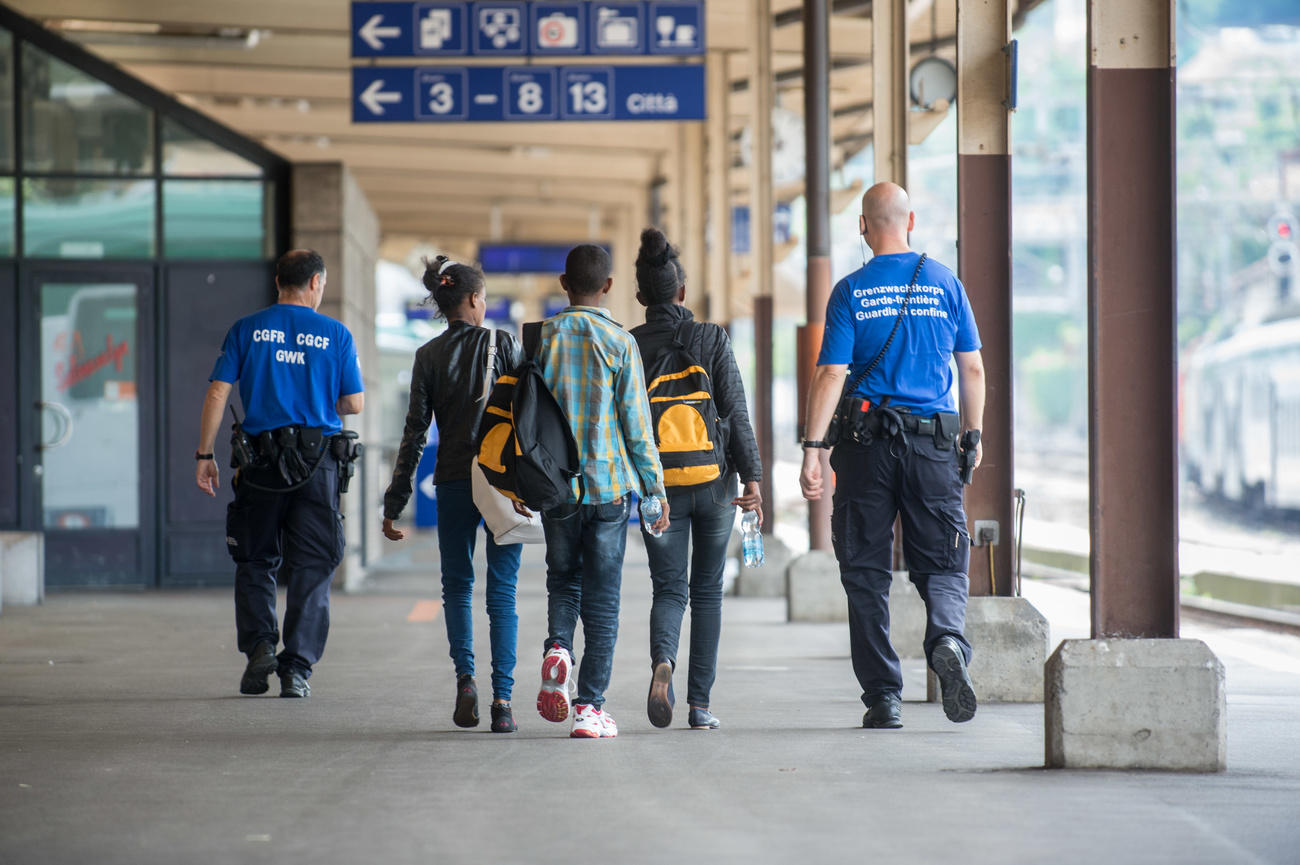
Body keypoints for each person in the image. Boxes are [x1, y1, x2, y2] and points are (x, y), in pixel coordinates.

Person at [799, 182, 985, 729]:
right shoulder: (946, 282)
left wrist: (813, 451)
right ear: (910, 222)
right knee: (944, 561)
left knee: (865, 570)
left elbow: (832, 373)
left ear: (862, 227)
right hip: (932, 444)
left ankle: (884, 696)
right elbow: (972, 369)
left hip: (864, 448)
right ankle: (947, 638)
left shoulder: (850, 290)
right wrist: (972, 437)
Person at [196, 249, 364, 699]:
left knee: (255, 558)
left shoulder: (246, 329)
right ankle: (297, 670)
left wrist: (204, 455)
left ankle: (260, 647)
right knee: (312, 565)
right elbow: (354, 404)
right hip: (317, 464)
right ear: (315, 283)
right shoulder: (336, 334)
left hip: (259, 464)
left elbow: (218, 393)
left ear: (277, 281)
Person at [380, 256, 526, 734]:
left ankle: (466, 681)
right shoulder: (503, 343)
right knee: (502, 591)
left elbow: (414, 435)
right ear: (472, 300)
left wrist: (394, 501)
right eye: (482, 297)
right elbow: (529, 417)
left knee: (457, 587)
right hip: (501, 482)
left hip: (452, 481)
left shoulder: (427, 355)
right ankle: (503, 700)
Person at [530, 243, 670, 739]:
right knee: (604, 600)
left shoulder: (540, 339)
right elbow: (637, 425)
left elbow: (526, 419)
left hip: (555, 487)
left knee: (562, 580)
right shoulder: (619, 342)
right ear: (608, 286)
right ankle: (590, 708)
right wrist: (654, 489)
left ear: (564, 285)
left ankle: (558, 650)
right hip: (609, 490)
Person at [628, 227, 762, 731]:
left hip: (655, 487)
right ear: (682, 292)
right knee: (707, 591)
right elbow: (736, 412)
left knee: (669, 588)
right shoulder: (710, 337)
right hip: (714, 486)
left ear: (641, 297)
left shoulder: (629, 344)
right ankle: (699, 704)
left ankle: (664, 662)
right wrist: (753, 479)